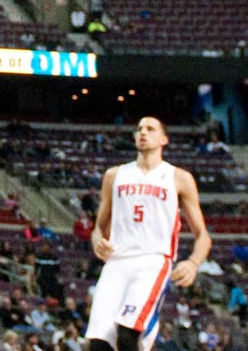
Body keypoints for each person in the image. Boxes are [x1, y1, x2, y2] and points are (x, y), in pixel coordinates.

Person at [85, 118, 212, 351]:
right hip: (116, 261)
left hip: (153, 260)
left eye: (150, 129)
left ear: (164, 139)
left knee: (127, 334)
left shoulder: (179, 178)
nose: (143, 132)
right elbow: (99, 227)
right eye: (139, 129)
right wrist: (96, 240)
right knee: (98, 344)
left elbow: (203, 234)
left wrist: (193, 263)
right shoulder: (114, 175)